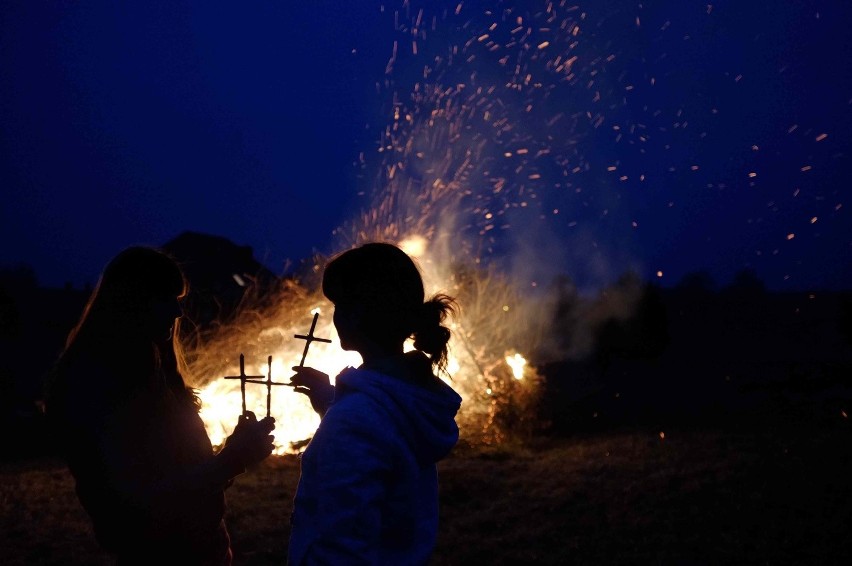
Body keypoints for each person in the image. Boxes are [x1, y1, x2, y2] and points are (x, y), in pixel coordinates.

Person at [44, 246, 276, 566]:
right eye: (165, 299)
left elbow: (190, 476)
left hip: (206, 551)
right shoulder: (94, 388)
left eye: (178, 301)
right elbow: (138, 502)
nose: (178, 314)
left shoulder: (158, 379)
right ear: (132, 303)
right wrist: (231, 460)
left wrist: (236, 454)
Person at [288, 242, 463, 565]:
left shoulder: (355, 420)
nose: (335, 315)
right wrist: (330, 401)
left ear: (357, 313)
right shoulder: (409, 398)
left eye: (339, 304)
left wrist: (340, 413)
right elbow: (379, 440)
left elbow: (343, 547)